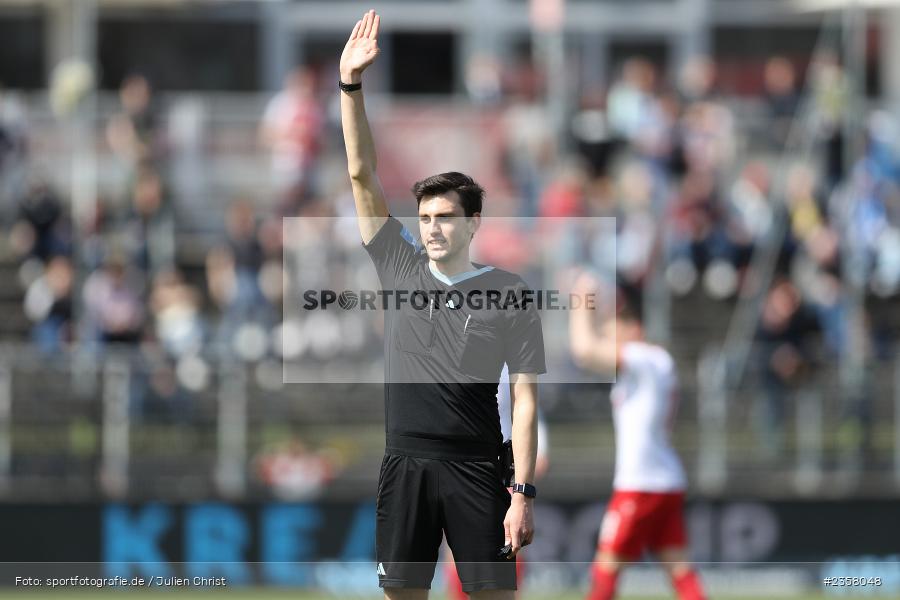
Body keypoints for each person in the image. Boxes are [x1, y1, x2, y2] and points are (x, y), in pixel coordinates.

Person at [339, 11, 546, 599]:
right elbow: (360, 172)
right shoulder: (398, 265)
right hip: (405, 464)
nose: (431, 228)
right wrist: (350, 88)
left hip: (479, 469)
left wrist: (522, 492)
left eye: (444, 217)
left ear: (472, 222)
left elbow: (526, 402)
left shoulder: (509, 292)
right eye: (424, 217)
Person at [568, 273, 706, 600]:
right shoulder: (653, 363)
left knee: (605, 569)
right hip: (665, 480)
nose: (609, 336)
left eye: (615, 328)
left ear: (634, 328)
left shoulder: (644, 358)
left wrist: (580, 301)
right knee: (679, 569)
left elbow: (584, 351)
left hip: (641, 484)